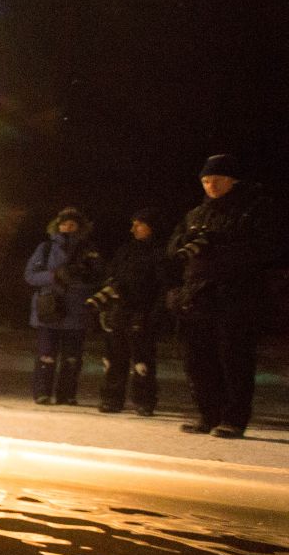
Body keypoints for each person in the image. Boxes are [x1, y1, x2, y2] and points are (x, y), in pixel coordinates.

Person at [168, 154, 280, 437]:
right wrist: (185, 245)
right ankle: (208, 414)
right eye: (205, 181)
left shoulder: (254, 209)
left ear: (232, 180)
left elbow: (267, 249)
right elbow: (173, 252)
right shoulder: (196, 214)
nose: (211, 186)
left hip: (236, 296)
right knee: (198, 360)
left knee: (234, 360)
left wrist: (219, 250)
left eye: (216, 180)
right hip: (198, 297)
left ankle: (233, 418)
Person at [91, 208, 166, 416]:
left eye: (139, 224)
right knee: (114, 357)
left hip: (142, 312)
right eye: (133, 224)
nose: (133, 228)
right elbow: (111, 276)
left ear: (151, 227)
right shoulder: (125, 251)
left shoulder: (159, 253)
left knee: (142, 360)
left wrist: (155, 314)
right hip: (119, 311)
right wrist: (107, 302)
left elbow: (163, 286)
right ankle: (112, 398)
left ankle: (144, 400)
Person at [23, 206, 101, 405]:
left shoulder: (89, 250)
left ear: (79, 227)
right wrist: (53, 276)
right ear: (57, 226)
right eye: (64, 224)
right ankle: (42, 393)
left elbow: (98, 278)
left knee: (72, 358)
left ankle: (67, 394)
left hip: (76, 312)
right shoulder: (46, 248)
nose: (67, 227)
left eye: (72, 224)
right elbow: (30, 276)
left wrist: (80, 276)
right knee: (46, 355)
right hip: (50, 309)